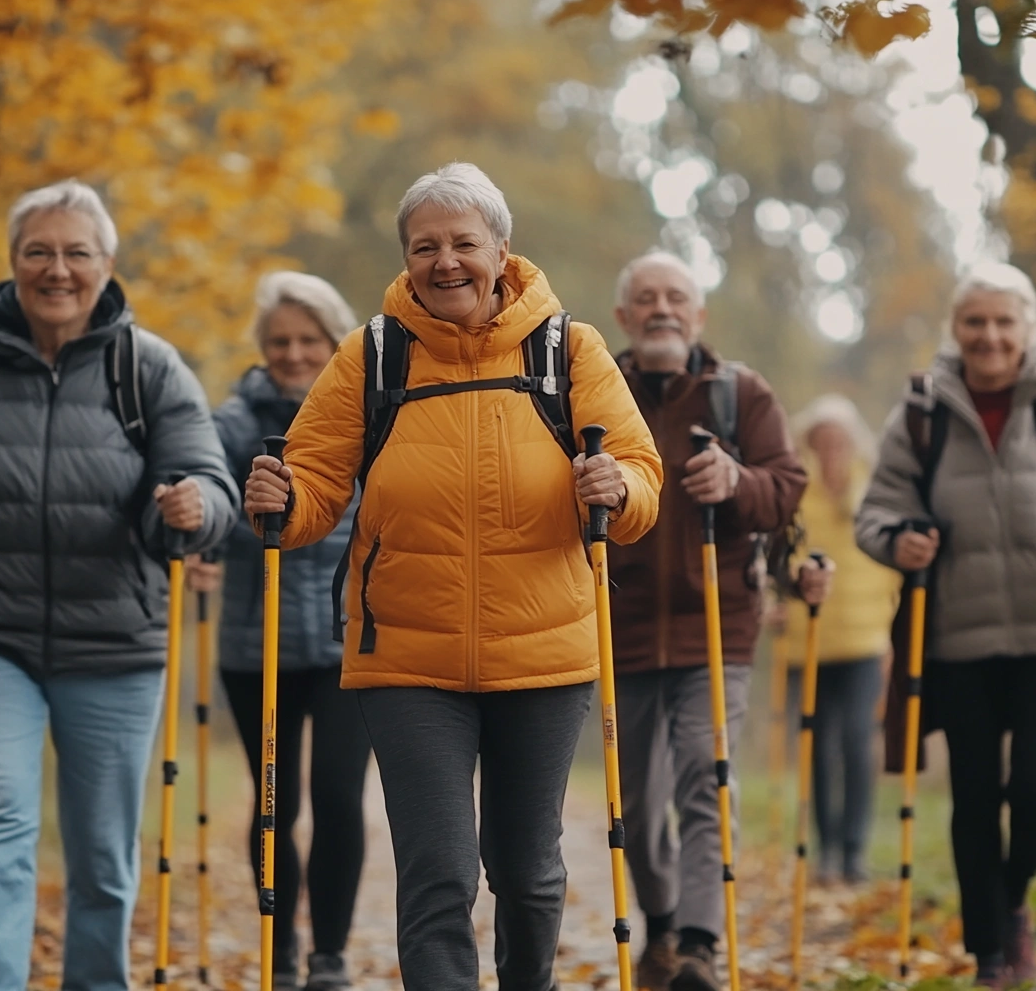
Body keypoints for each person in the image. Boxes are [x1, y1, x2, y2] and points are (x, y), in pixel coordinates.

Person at [244, 162, 663, 991]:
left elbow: (641, 477)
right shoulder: (372, 354)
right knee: (437, 873)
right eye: (425, 246)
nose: (446, 263)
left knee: (527, 871)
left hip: (544, 652)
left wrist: (619, 488)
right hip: (405, 657)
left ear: (501, 251)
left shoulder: (568, 349)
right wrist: (283, 500)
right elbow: (316, 483)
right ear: (405, 257)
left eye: (464, 243)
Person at [0, 179, 240, 991]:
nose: (57, 270)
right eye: (38, 252)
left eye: (76, 253)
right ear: (13, 263)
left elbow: (208, 487)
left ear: (106, 264)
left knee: (104, 856)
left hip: (115, 640)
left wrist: (192, 507)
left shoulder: (146, 368)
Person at [856, 261, 1036, 990]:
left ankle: (1012, 899)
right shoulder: (923, 411)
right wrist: (901, 541)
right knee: (975, 800)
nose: (990, 336)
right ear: (957, 330)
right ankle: (991, 957)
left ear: (1028, 329)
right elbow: (876, 513)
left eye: (1004, 322)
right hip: (957, 641)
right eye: (975, 322)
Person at [604, 251, 829, 991]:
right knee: (634, 799)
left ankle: (698, 947)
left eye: (676, 297)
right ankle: (663, 922)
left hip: (716, 626)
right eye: (646, 298)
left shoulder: (742, 393)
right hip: (622, 628)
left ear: (698, 315)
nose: (661, 308)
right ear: (624, 318)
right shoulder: (596, 390)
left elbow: (787, 486)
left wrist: (736, 480)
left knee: (706, 777)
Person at [186, 271, 370, 990]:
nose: (293, 354)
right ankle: (281, 952)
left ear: (334, 343)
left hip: (343, 640)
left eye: (307, 340)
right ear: (263, 350)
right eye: (279, 342)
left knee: (336, 797)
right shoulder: (232, 424)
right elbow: (206, 494)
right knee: (272, 803)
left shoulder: (367, 416)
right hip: (252, 643)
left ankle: (329, 956)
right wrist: (205, 538)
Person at [781, 394, 899, 886]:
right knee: (816, 746)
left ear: (853, 443)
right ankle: (826, 851)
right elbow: (781, 558)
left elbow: (890, 569)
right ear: (810, 442)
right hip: (805, 642)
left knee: (856, 742)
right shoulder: (795, 493)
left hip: (864, 644)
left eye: (840, 440)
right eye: (823, 439)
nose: (832, 449)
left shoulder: (872, 491)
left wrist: (894, 635)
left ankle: (853, 851)